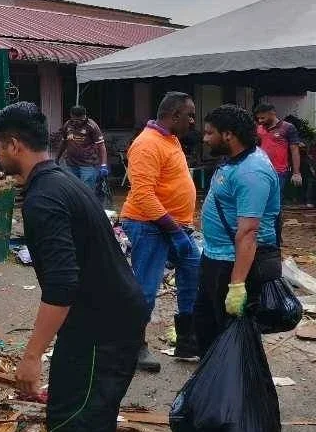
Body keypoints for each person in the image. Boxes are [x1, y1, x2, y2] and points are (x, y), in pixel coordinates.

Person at [0, 102, 147, 432]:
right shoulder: (61, 180)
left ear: (15, 144)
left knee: (76, 421)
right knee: (88, 413)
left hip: (102, 326)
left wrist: (31, 357)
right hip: (105, 316)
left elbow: (62, 285)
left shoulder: (43, 198)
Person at [120, 91, 201, 372]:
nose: (193, 121)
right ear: (174, 115)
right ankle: (134, 346)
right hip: (148, 226)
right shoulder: (146, 144)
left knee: (193, 270)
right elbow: (143, 194)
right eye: (189, 115)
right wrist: (174, 231)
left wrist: (180, 229)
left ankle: (187, 339)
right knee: (146, 289)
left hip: (175, 226)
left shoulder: (171, 138)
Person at [197, 104, 281, 352]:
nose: (205, 138)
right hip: (214, 256)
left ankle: (235, 389)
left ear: (228, 135)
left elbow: (248, 232)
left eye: (210, 133)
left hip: (233, 264)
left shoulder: (252, 172)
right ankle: (210, 385)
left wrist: (236, 285)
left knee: (232, 339)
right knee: (206, 328)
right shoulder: (232, 161)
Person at [55, 105, 108, 192]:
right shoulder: (67, 125)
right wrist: (56, 159)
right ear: (71, 117)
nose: (78, 122)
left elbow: (101, 146)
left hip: (88, 165)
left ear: (84, 116)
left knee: (87, 192)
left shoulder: (92, 126)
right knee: (72, 191)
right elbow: (63, 142)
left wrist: (103, 165)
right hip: (71, 164)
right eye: (75, 120)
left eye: (80, 120)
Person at [255, 103, 302, 198]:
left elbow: (294, 150)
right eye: (258, 118)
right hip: (260, 170)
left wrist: (296, 173)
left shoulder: (288, 127)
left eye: (263, 118)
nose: (260, 121)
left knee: (275, 199)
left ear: (272, 113)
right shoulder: (258, 129)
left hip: (279, 171)